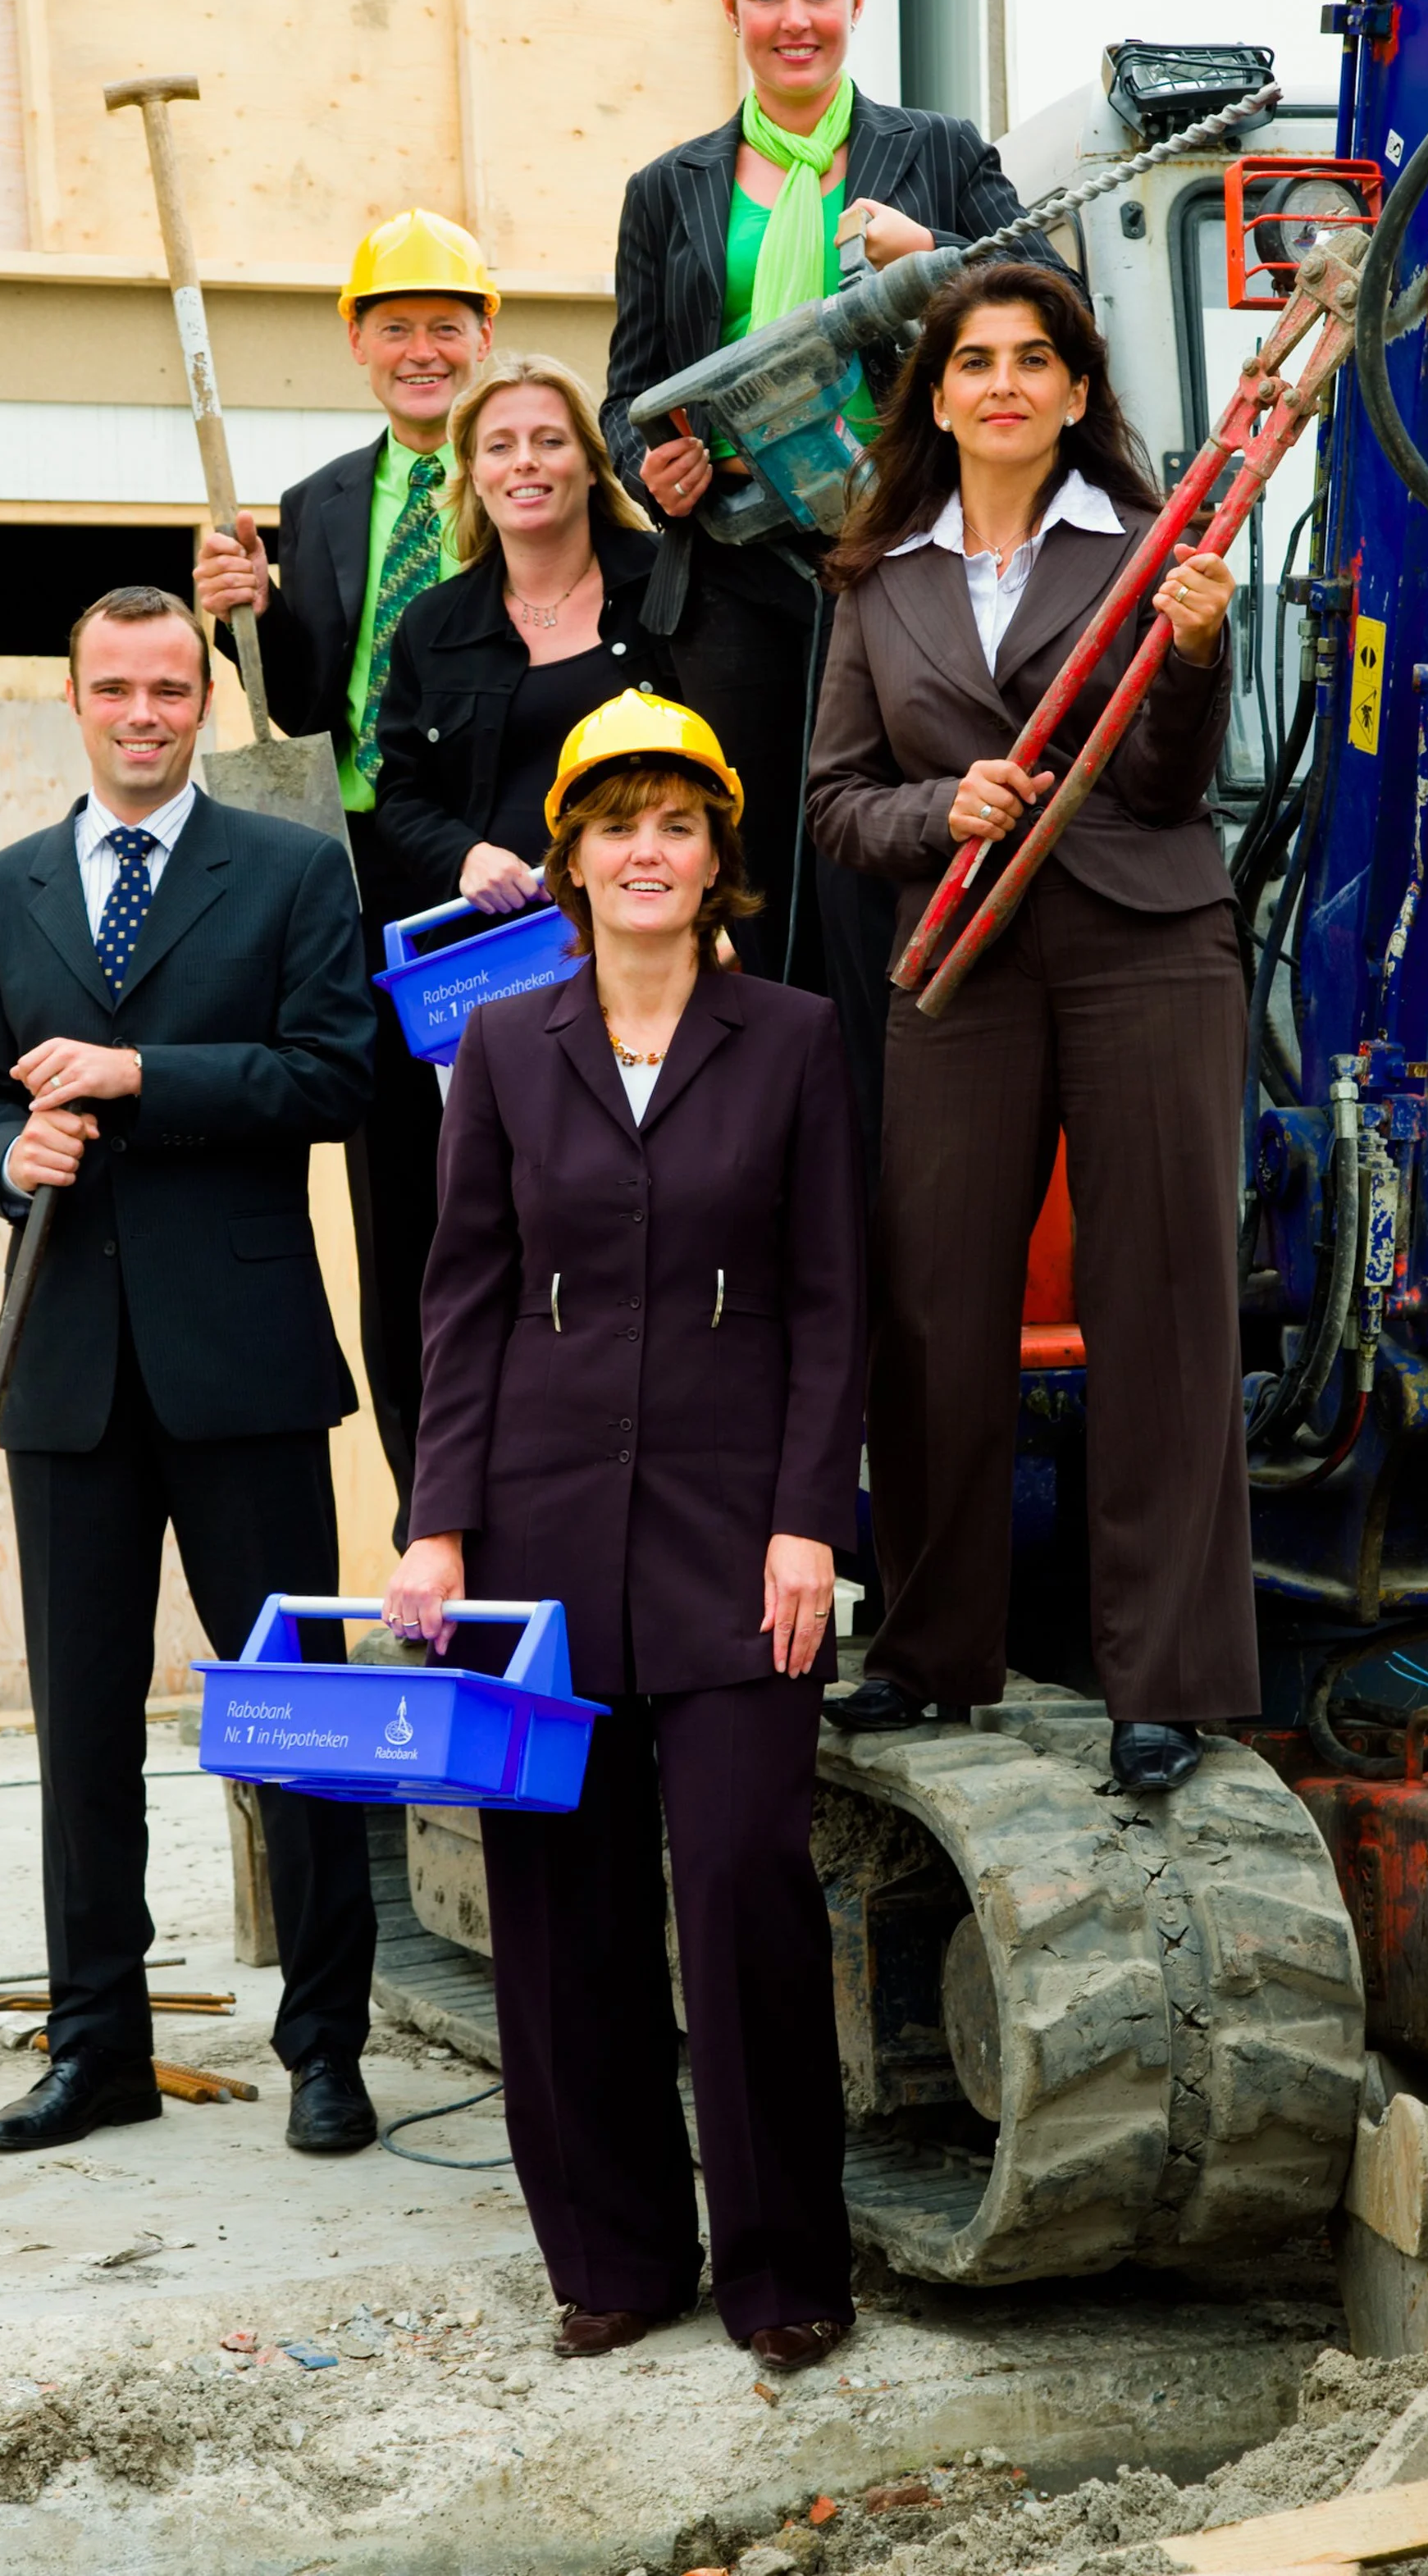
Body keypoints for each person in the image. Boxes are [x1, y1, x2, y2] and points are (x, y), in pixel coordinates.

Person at [383, 691, 866, 2371]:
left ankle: (784, 2269)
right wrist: (436, 1522)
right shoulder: (505, 1048)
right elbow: (464, 1297)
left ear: (713, 852)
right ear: (571, 858)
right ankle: (610, 2254)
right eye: (613, 825)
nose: (643, 852)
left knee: (741, 1879)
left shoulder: (794, 1036)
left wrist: (808, 1520)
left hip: (739, 1533)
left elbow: (829, 1304)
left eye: (673, 823)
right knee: (559, 1904)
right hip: (537, 1524)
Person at [805, 261, 1257, 1792]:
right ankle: (930, 1652)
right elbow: (832, 804)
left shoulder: (1150, 553)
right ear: (933, 394)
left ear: (1074, 390)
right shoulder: (874, 582)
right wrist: (946, 805)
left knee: (1161, 1296)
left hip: (1145, 943)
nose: (1001, 383)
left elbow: (1161, 786)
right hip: (961, 960)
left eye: (1033, 359)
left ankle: (1164, 1684)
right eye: (972, 360)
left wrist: (1192, 651)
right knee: (932, 1301)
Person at [0, 583, 384, 2154]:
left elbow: (340, 1074)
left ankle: (327, 2042)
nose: (143, 714)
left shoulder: (281, 872)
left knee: (293, 1711)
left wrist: (139, 1076)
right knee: (80, 1724)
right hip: (64, 1363)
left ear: (202, 703)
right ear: (68, 696)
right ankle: (97, 2045)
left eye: (170, 690)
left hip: (242, 1357)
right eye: (113, 688)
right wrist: (15, 1153)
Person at [600, 0, 1059, 1063]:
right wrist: (658, 467)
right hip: (739, 583)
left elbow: (1055, 304)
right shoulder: (669, 191)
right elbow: (626, 393)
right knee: (745, 870)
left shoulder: (938, 152)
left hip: (908, 561)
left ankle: (896, 1125)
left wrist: (936, 253)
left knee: (884, 859)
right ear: (730, 5)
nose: (793, 19)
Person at [193, 209, 496, 1521]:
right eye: (396, 327)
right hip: (362, 866)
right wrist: (235, 620)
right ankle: (429, 1503)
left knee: (517, 1170)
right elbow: (305, 702)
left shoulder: (527, 466)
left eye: (446, 325)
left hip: (491, 866)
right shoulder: (317, 503)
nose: (422, 350)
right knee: (394, 1201)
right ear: (358, 343)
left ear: (486, 335)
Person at [372, 353, 671, 910]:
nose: (525, 462)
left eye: (551, 441)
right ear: (475, 474)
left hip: (662, 922)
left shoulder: (671, 583)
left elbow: (744, 755)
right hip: (505, 947)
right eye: (500, 446)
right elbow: (401, 794)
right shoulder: (432, 626)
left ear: (589, 462)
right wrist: (463, 854)